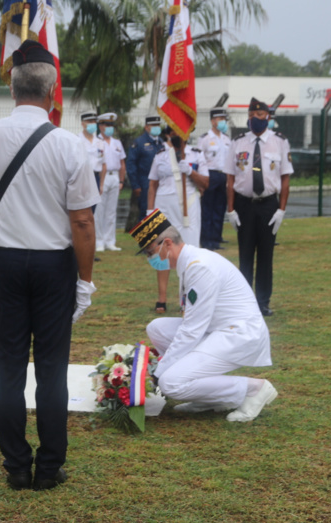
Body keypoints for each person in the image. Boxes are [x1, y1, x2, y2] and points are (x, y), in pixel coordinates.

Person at [0, 40, 99, 491]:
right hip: (53, 265)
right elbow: (82, 221)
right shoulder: (69, 144)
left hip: (5, 260)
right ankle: (48, 467)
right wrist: (85, 281)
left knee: (9, 366)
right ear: (52, 91)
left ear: (12, 87)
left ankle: (17, 465)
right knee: (51, 367)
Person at [130, 209, 278, 422]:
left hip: (238, 334)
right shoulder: (190, 262)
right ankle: (208, 397)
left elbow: (192, 330)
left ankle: (253, 389)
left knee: (170, 383)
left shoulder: (200, 267)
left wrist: (158, 372)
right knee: (157, 328)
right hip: (218, 329)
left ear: (167, 243)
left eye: (150, 252)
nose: (150, 258)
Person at [225, 98, 292, 317]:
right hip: (244, 204)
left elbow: (285, 178)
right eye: (251, 115)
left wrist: (281, 210)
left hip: (268, 204)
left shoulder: (279, 142)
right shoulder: (237, 142)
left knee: (265, 256)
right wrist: (231, 210)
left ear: (268, 117)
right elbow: (230, 179)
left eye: (260, 115)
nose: (255, 119)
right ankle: (244, 303)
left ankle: (262, 302)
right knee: (245, 256)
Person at [147, 127, 208, 313]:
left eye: (180, 132)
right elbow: (153, 184)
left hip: (188, 208)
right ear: (168, 135)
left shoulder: (196, 154)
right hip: (164, 206)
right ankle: (162, 298)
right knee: (161, 252)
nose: (176, 136)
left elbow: (205, 183)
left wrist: (190, 171)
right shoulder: (160, 155)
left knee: (189, 253)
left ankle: (187, 299)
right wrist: (150, 211)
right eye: (172, 133)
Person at [198, 108, 231, 251]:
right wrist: (201, 180)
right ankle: (206, 240)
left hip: (223, 175)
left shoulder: (226, 139)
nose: (223, 122)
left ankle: (216, 238)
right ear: (213, 121)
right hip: (210, 175)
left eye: (224, 119)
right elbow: (199, 160)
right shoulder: (205, 139)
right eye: (220, 119)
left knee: (220, 207)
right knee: (207, 209)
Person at [95, 112, 126, 252]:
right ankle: (99, 241)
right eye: (107, 125)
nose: (110, 128)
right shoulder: (96, 141)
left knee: (111, 211)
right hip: (102, 176)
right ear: (101, 126)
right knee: (99, 211)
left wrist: (121, 180)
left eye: (112, 125)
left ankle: (110, 241)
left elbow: (122, 163)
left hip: (114, 177)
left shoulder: (117, 143)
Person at [126, 115, 163, 220]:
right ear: (147, 127)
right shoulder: (139, 142)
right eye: (153, 125)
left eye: (158, 125)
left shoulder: (161, 142)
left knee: (160, 212)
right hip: (145, 182)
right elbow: (131, 165)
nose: (156, 127)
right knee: (146, 213)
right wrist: (135, 185)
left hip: (161, 183)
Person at [78, 111, 106, 208]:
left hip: (95, 178)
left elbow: (103, 164)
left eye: (94, 121)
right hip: (82, 178)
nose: (93, 124)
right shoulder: (77, 140)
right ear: (82, 124)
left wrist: (101, 184)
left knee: (93, 208)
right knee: (82, 208)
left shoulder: (100, 142)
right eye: (89, 121)